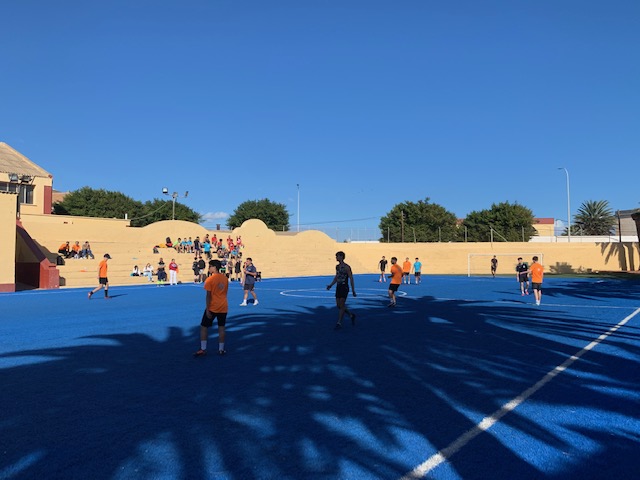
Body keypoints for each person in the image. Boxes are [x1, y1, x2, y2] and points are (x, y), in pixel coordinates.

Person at [193, 259, 229, 357]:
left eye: (210, 266)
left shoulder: (210, 279)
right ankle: (221, 349)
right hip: (223, 306)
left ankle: (203, 348)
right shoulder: (225, 278)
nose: (209, 268)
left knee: (204, 327)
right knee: (221, 327)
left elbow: (208, 296)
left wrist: (208, 309)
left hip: (213, 306)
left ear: (214, 267)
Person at [326, 251, 357, 329]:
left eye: (337, 256)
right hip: (338, 287)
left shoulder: (347, 267)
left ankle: (339, 322)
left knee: (342, 304)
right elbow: (337, 277)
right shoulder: (337, 267)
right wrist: (331, 285)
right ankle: (351, 315)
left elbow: (351, 278)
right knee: (339, 305)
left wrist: (353, 290)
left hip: (344, 287)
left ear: (341, 257)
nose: (336, 258)